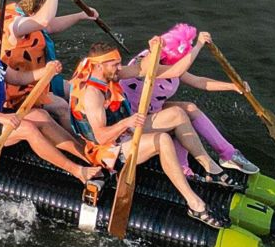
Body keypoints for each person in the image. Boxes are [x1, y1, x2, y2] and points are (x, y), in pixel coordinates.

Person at [69, 37, 234, 229]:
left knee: (178, 114)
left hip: (126, 130)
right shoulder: (93, 94)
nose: (119, 67)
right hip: (108, 150)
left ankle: (209, 167)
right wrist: (127, 122)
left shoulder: (111, 74)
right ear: (98, 66)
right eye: (114, 64)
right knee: (162, 139)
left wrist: (153, 48)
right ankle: (194, 204)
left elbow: (145, 68)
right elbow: (101, 137)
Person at [0, 16, 100, 184]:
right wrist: (2, 117)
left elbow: (17, 77)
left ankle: (88, 155)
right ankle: (78, 171)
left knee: (42, 116)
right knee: (28, 129)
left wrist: (46, 72)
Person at [118, 23, 260, 174]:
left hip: (152, 112)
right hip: (133, 120)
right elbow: (177, 70)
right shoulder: (147, 64)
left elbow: (198, 81)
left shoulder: (169, 64)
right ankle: (182, 168)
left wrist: (233, 86)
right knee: (178, 116)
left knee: (190, 108)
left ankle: (228, 154)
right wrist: (198, 45)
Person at [0, 0, 94, 128]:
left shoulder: (27, 18)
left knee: (77, 90)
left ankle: (94, 124)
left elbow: (49, 26)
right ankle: (77, 140)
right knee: (61, 106)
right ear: (34, 12)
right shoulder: (15, 25)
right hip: (19, 88)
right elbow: (44, 21)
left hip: (40, 76)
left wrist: (81, 15)